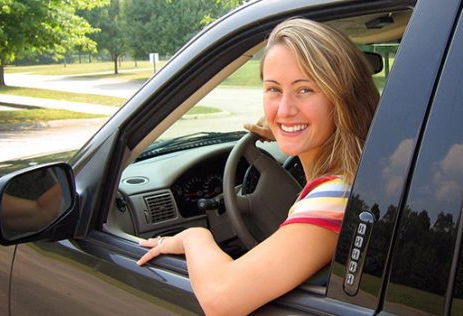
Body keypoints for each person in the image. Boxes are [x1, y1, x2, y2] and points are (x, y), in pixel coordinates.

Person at [137, 18, 379, 315]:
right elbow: (289, 114)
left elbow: (219, 298)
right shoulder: (367, 168)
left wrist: (194, 236)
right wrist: (281, 126)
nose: (285, 109)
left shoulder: (334, 197)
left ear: (342, 97)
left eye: (305, 90)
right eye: (274, 90)